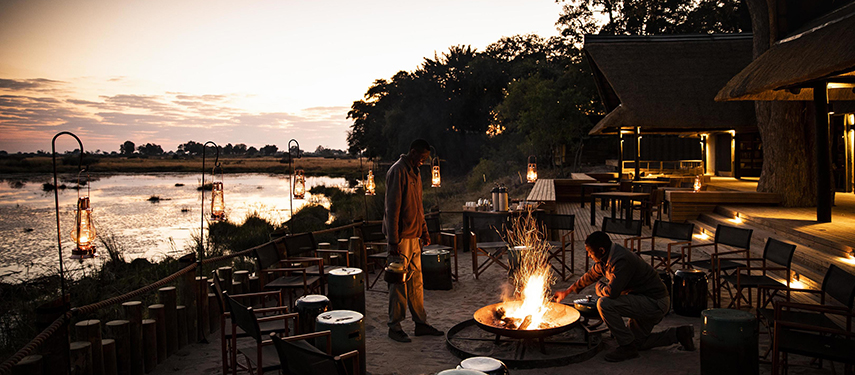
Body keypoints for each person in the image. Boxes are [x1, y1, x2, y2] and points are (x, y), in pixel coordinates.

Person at [552, 231, 695, 362]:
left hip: (654, 303)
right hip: (641, 300)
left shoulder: (620, 260)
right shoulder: (605, 258)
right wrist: (568, 291)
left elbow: (612, 293)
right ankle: (680, 334)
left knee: (604, 303)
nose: (589, 255)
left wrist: (599, 288)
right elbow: (590, 275)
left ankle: (626, 347)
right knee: (638, 342)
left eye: (590, 252)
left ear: (601, 250)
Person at [383, 138, 444, 343]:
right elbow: (392, 210)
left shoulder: (415, 174)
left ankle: (420, 323)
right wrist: (393, 242)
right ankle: (395, 326)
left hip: (415, 237)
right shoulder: (398, 171)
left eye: (426, 159)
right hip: (400, 240)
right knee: (398, 284)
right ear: (412, 152)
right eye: (421, 157)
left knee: (416, 282)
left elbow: (418, 207)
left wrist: (424, 231)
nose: (423, 162)